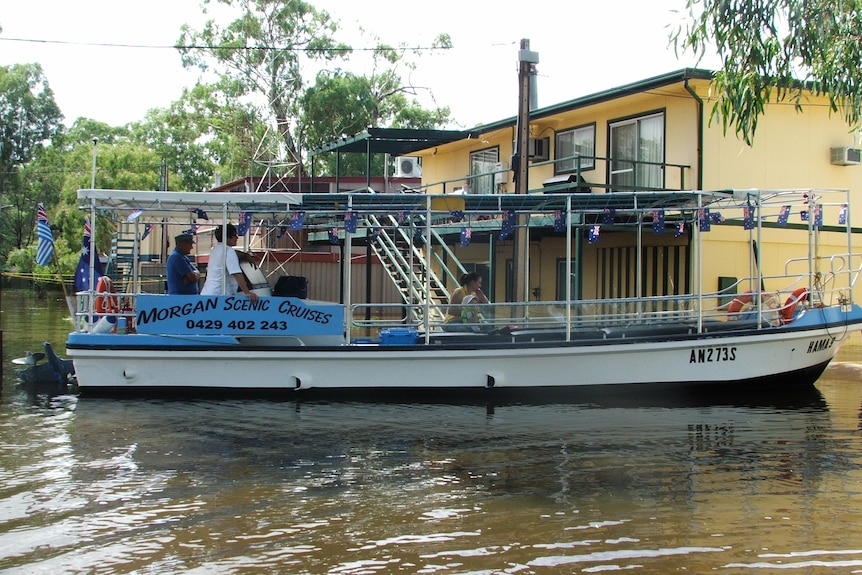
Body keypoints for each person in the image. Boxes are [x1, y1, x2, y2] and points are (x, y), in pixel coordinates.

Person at [201, 223, 259, 303]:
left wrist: (246, 255)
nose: (237, 238)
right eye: (235, 235)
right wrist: (247, 292)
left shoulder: (215, 249)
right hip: (220, 295)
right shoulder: (229, 251)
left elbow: (233, 253)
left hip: (208, 293)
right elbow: (237, 274)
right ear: (228, 237)